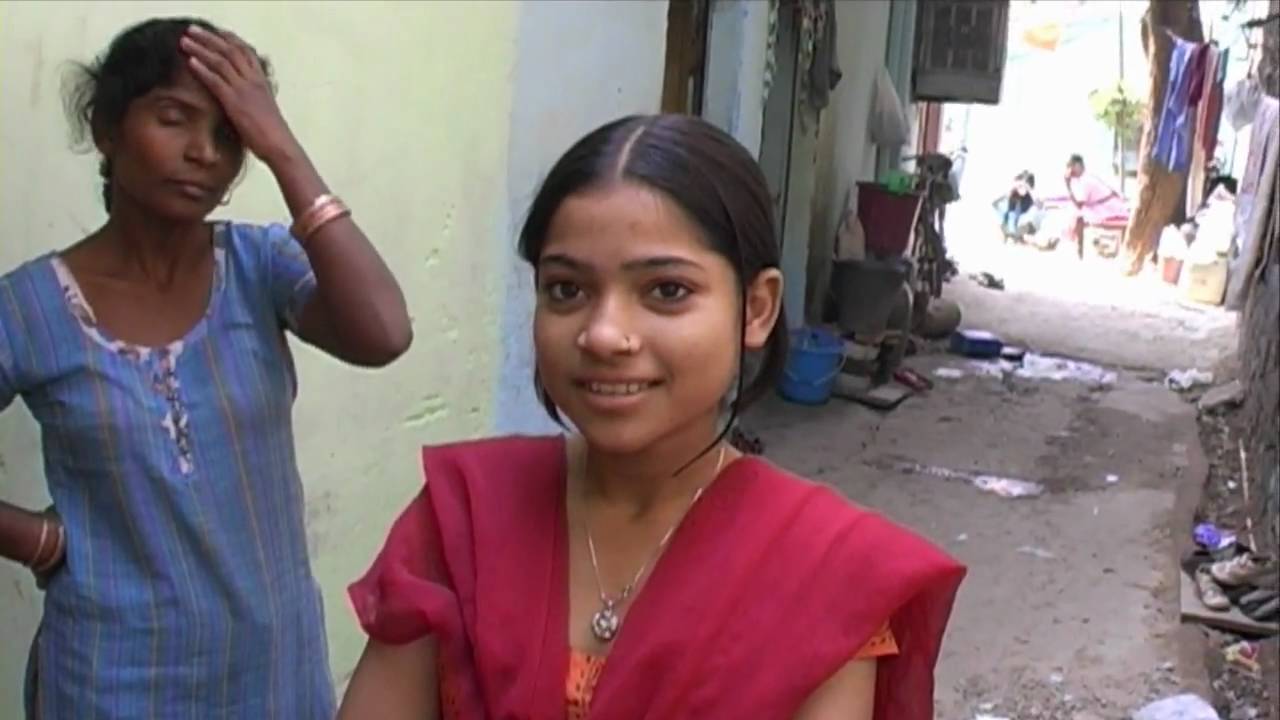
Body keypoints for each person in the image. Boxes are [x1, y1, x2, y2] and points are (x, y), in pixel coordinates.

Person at [337, 115, 964, 719]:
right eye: (567, 290)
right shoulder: (463, 520)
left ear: (757, 308)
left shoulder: (828, 576)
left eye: (667, 291)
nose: (604, 334)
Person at [0, 17, 412, 718]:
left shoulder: (259, 267)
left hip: (271, 674)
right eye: (173, 119)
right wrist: (37, 541)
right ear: (106, 129)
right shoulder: (28, 310)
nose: (203, 153)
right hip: (109, 680)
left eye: (230, 136)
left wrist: (281, 147)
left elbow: (384, 333)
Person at [1061, 154, 1126, 259]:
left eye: (1071, 166)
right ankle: (1077, 246)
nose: (1069, 170)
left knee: (1077, 214)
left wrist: (1067, 185)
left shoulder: (1086, 181)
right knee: (1073, 212)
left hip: (1110, 209)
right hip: (1106, 207)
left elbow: (1079, 205)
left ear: (1077, 166)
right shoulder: (1083, 179)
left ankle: (1079, 250)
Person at [993, 171, 1043, 243]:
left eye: (1020, 186)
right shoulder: (1014, 195)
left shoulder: (1031, 196)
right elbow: (1009, 213)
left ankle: (1015, 236)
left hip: (1025, 225)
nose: (1017, 189)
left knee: (1026, 226)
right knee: (1003, 214)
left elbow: (1040, 206)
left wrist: (1029, 189)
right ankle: (1012, 236)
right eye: (1016, 187)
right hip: (1011, 224)